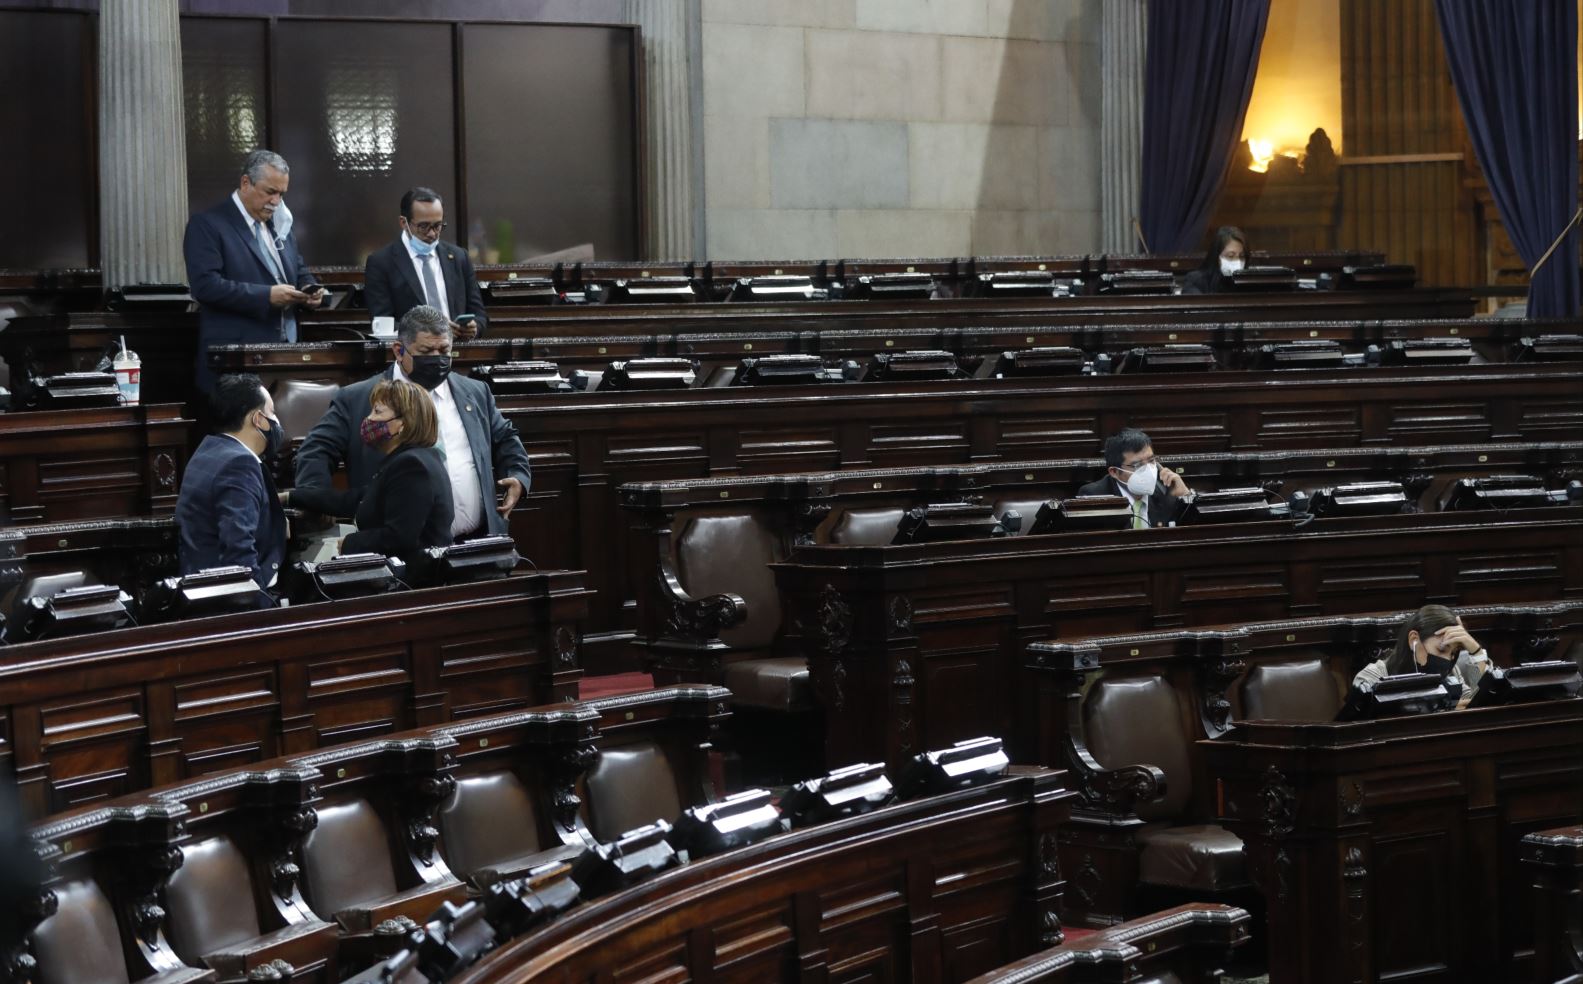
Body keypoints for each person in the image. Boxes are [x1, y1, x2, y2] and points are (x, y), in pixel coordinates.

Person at [294, 305, 530, 540]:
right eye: (427, 351)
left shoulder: (475, 391)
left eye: (444, 350)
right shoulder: (358, 399)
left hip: (477, 541)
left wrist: (517, 475)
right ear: (399, 350)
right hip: (401, 549)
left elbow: (505, 437)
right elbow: (316, 450)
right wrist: (316, 499)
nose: (437, 359)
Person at [184, 150, 324, 390]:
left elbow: (299, 271)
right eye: (270, 192)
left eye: (281, 194)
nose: (276, 201)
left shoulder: (280, 226)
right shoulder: (208, 224)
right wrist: (267, 296)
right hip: (235, 365)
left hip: (286, 358)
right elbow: (205, 286)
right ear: (246, 183)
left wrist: (311, 292)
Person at [285, 379, 454, 559]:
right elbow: (354, 500)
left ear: (403, 424)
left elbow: (399, 538)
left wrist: (348, 543)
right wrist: (290, 497)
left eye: (377, 411)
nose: (369, 419)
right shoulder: (413, 458)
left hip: (415, 581)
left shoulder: (411, 466)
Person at [175, 373, 288, 589]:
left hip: (199, 587)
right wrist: (261, 610)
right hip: (228, 603)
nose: (276, 421)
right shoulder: (240, 464)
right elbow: (239, 554)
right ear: (258, 419)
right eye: (272, 412)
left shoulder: (207, 450)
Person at [363, 187, 487, 341]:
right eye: (423, 226)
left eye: (438, 225)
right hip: (413, 356)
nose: (432, 234)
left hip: (458, 352)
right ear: (404, 223)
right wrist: (432, 331)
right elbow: (383, 324)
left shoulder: (459, 257)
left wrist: (474, 327)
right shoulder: (381, 263)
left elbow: (480, 315)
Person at [1352, 604, 1492, 709]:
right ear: (1414, 639)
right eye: (1442, 649)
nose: (1448, 660)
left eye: (1453, 653)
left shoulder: (1452, 672)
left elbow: (1479, 702)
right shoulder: (1372, 677)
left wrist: (1477, 652)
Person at [1077, 428, 1193, 529]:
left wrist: (1186, 497)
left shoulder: (1166, 490)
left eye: (1151, 460)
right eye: (1137, 465)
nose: (1147, 470)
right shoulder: (1094, 495)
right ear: (1114, 472)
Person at [1179, 226, 1247, 295]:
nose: (1237, 261)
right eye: (1230, 256)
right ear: (1216, 256)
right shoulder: (1195, 280)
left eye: (1241, 256)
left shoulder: (1248, 282)